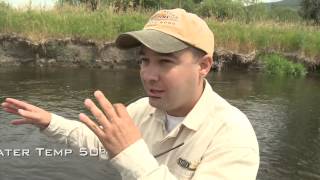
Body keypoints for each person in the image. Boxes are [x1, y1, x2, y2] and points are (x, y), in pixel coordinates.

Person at [1, 8, 259, 179]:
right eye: (144, 61)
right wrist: (50, 121)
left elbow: (126, 151)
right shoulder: (144, 109)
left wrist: (131, 153)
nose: (148, 75)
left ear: (203, 66)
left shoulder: (232, 134)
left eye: (165, 62)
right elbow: (100, 141)